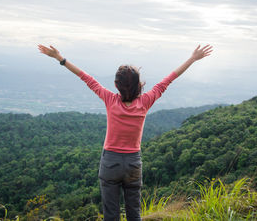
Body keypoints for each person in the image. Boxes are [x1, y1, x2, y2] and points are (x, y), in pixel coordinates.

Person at [38, 43, 213, 221]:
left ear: (116, 85)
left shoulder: (110, 99)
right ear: (139, 85)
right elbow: (168, 80)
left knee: (111, 216)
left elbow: (86, 78)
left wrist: (60, 58)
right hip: (133, 163)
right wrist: (192, 58)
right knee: (134, 214)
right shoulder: (145, 102)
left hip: (110, 163)